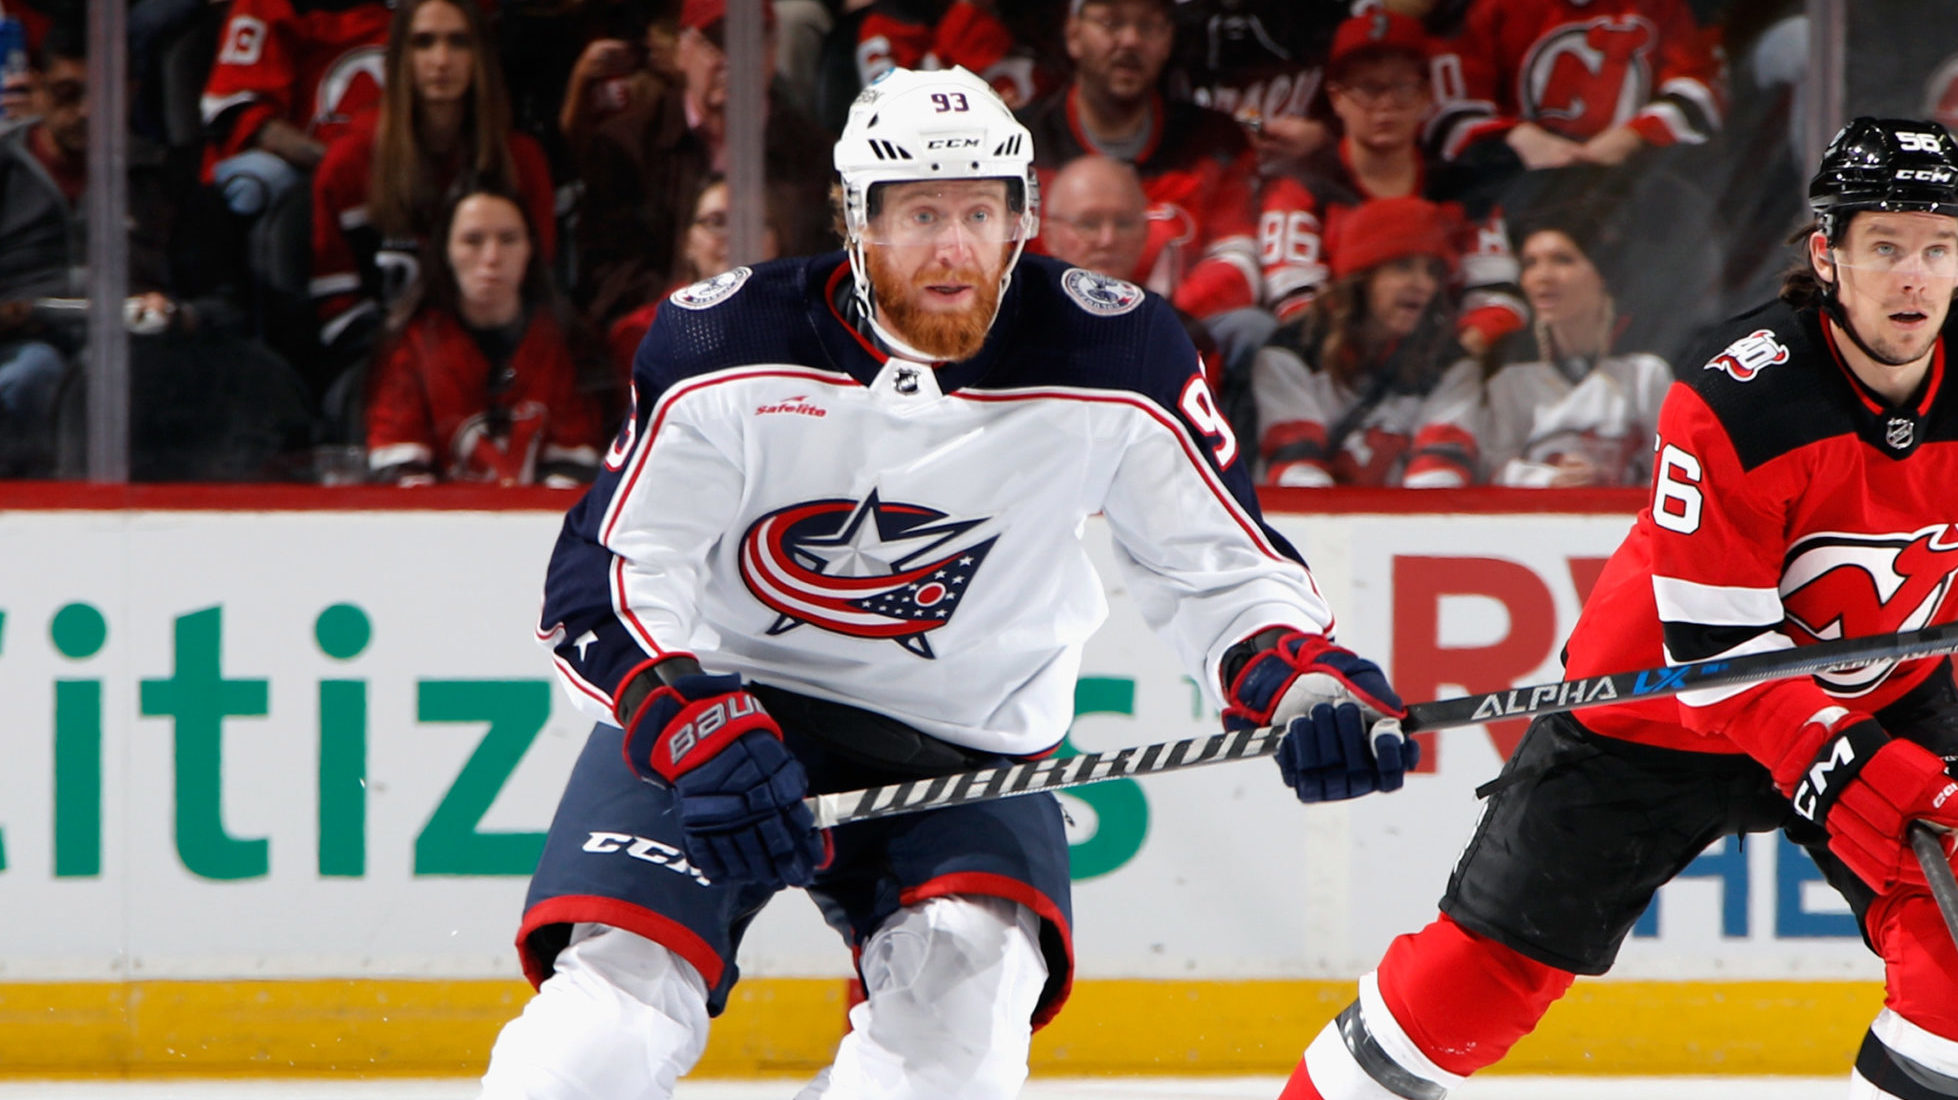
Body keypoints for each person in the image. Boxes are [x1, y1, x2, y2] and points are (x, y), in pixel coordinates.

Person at [477, 65, 1419, 1100]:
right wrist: (683, 717)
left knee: (950, 1064)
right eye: (921, 214)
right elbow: (608, 574)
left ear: (1021, 219)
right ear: (857, 220)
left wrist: (1303, 680)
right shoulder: (724, 341)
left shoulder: (1116, 350)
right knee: (593, 1045)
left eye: (980, 213)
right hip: (725, 721)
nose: (954, 250)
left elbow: (1218, 566)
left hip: (967, 741)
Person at [1275, 116, 1958, 1100]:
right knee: (1472, 989)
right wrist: (1873, 775)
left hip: (1880, 691)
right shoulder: (1741, 397)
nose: (1913, 276)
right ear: (1827, 255)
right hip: (1658, 708)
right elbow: (1718, 658)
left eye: (1938, 247)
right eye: (1884, 246)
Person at [311, 0, 557, 424]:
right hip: (381, 363)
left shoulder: (520, 161)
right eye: (424, 43)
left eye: (458, 42)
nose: (441, 60)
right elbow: (337, 311)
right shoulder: (349, 163)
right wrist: (424, 357)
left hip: (501, 356)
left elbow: (536, 289)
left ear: (481, 56)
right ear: (398, 57)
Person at [1258, 10, 1522, 358]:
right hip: (1336, 365)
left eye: (1402, 87)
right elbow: (1297, 305)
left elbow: (1499, 298)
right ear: (1337, 98)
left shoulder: (1463, 187)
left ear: (1426, 95)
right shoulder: (1301, 188)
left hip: (1448, 360)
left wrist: (1451, 358)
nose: (1386, 104)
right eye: (1369, 89)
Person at [575, 0, 836, 329]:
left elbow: (827, 274)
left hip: (782, 335)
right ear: (681, 51)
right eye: (718, 43)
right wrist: (694, 311)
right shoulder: (626, 147)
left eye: (751, 43)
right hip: (659, 333)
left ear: (773, 52)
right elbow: (606, 280)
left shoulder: (816, 155)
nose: (735, 61)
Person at [364, 185, 603, 487]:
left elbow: (577, 465)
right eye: (473, 240)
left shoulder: (566, 343)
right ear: (445, 251)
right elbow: (396, 468)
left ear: (530, 249)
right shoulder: (411, 347)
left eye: (508, 239)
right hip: (438, 516)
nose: (492, 257)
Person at [1251, 196, 1481, 488]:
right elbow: (1296, 472)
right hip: (1308, 515)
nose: (1422, 284)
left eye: (1432, 271)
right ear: (1361, 277)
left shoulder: (1449, 363)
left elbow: (1440, 474)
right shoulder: (1292, 353)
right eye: (1403, 266)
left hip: (1407, 516)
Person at [1479, 191, 1672, 487]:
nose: (1542, 276)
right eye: (1530, 263)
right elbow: (1491, 472)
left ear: (1602, 273)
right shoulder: (1509, 385)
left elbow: (1673, 471)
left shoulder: (1645, 376)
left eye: (1562, 260)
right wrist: (1549, 480)